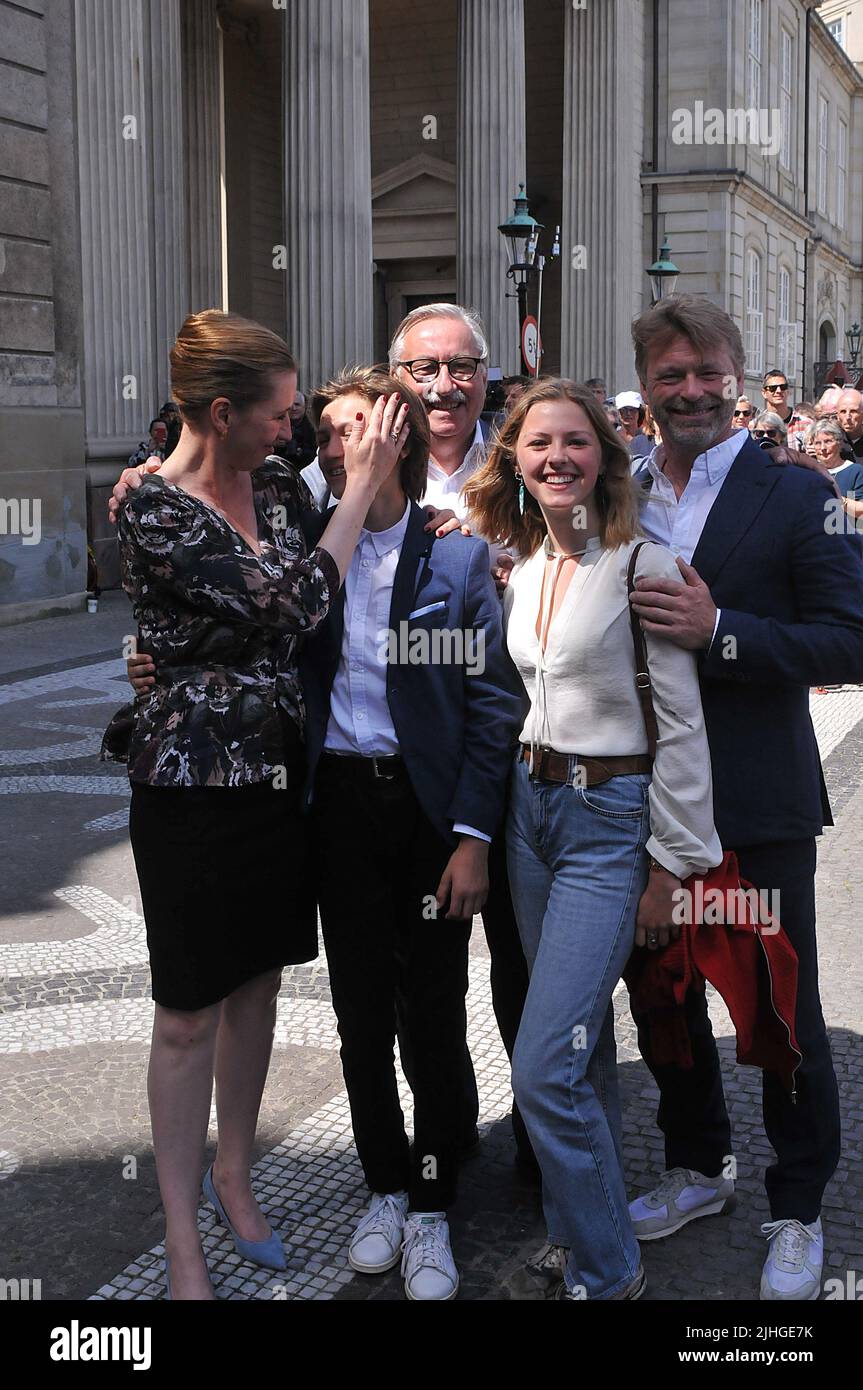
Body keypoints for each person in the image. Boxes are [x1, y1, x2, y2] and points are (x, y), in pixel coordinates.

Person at [102, 310, 408, 1301]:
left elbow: (360, 544)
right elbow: (291, 604)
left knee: (259, 984)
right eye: (277, 415)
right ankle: (182, 1238)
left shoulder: (274, 481)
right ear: (223, 412)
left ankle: (235, 1171)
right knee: (187, 1013)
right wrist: (357, 491)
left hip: (280, 779)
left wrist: (380, 482)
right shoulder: (151, 509)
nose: (292, 431)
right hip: (188, 789)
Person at [627, 294, 863, 1300]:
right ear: (645, 385)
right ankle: (695, 1165)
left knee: (776, 1007)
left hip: (751, 801)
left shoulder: (790, 492)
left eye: (704, 371)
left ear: (735, 376)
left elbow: (847, 637)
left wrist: (718, 628)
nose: (687, 390)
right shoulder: (617, 489)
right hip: (631, 806)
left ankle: (799, 1204)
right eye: (667, 373)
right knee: (661, 992)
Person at [464, 379, 722, 1301]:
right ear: (515, 459)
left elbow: (681, 726)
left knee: (539, 1066)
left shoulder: (643, 564)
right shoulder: (527, 562)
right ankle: (586, 1233)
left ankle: (608, 1272)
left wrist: (669, 865)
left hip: (610, 822)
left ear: (605, 457)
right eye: (537, 444)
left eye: (574, 442)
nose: (555, 459)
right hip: (528, 814)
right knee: (575, 1053)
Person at [301, 367, 525, 1300]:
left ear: (394, 436)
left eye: (355, 427)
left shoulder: (454, 557)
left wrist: (471, 838)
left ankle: (433, 1203)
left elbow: (490, 706)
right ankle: (384, 1187)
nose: (335, 444)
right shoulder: (303, 551)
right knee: (358, 1013)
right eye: (325, 433)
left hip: (427, 813)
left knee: (431, 1012)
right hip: (338, 810)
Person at [810, 419, 863, 518]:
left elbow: (861, 511)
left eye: (828, 441)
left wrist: (835, 498)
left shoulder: (856, 471)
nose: (823, 448)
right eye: (817, 443)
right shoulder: (808, 472)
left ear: (839, 443)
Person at [615, 390, 654, 461]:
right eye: (624, 410)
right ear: (618, 412)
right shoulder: (612, 437)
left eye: (632, 410)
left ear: (639, 412)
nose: (628, 413)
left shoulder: (649, 438)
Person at [836, 387, 863, 461]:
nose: (848, 417)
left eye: (853, 411)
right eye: (843, 412)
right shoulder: (833, 442)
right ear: (837, 416)